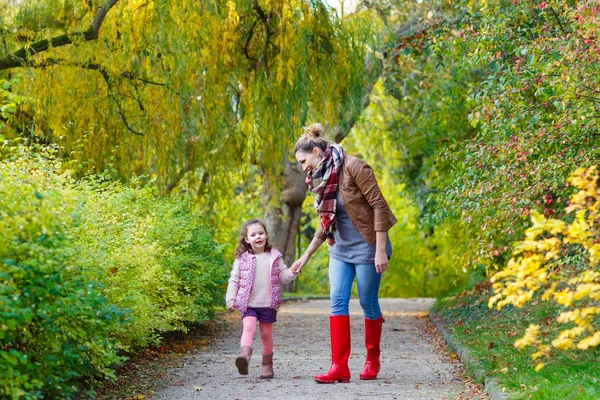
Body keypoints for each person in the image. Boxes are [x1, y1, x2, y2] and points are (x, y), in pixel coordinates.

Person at [291, 123, 397, 383]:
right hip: (339, 249)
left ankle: (372, 359)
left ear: (316, 151)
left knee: (367, 302)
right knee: (337, 301)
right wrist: (305, 256)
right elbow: (324, 222)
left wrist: (380, 250)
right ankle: (339, 367)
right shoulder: (323, 177)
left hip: (368, 247)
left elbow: (379, 206)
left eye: (304, 161)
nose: (303, 167)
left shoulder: (354, 167)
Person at [226, 218, 300, 379]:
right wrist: (231, 299)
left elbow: (283, 276)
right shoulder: (242, 259)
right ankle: (244, 358)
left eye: (261, 233)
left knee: (266, 335)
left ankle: (267, 366)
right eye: (253, 235)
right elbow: (234, 280)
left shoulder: (274, 256)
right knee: (249, 328)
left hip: (268, 304)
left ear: (266, 235)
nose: (258, 237)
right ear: (247, 239)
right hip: (248, 304)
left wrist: (293, 272)